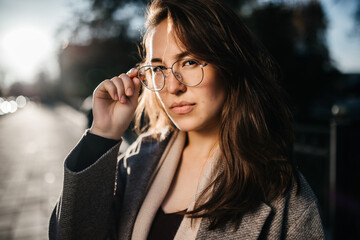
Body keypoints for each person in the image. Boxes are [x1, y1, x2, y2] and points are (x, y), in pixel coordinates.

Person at [49, 0, 325, 239]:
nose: (173, 87)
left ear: (230, 64)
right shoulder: (138, 158)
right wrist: (103, 135)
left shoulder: (287, 199)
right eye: (159, 68)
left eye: (190, 62)